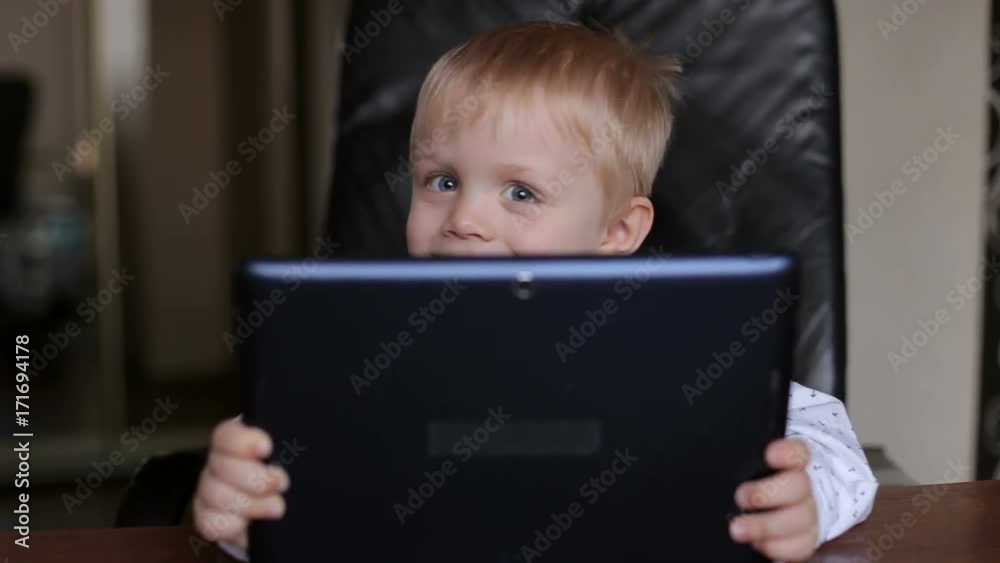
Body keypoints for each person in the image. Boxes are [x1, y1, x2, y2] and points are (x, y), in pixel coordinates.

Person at [193, 21, 878, 562]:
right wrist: (240, 507)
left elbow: (828, 440)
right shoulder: (366, 354)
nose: (464, 219)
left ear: (617, 230)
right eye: (441, 181)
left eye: (520, 192)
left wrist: (804, 499)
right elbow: (291, 499)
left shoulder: (671, 348)